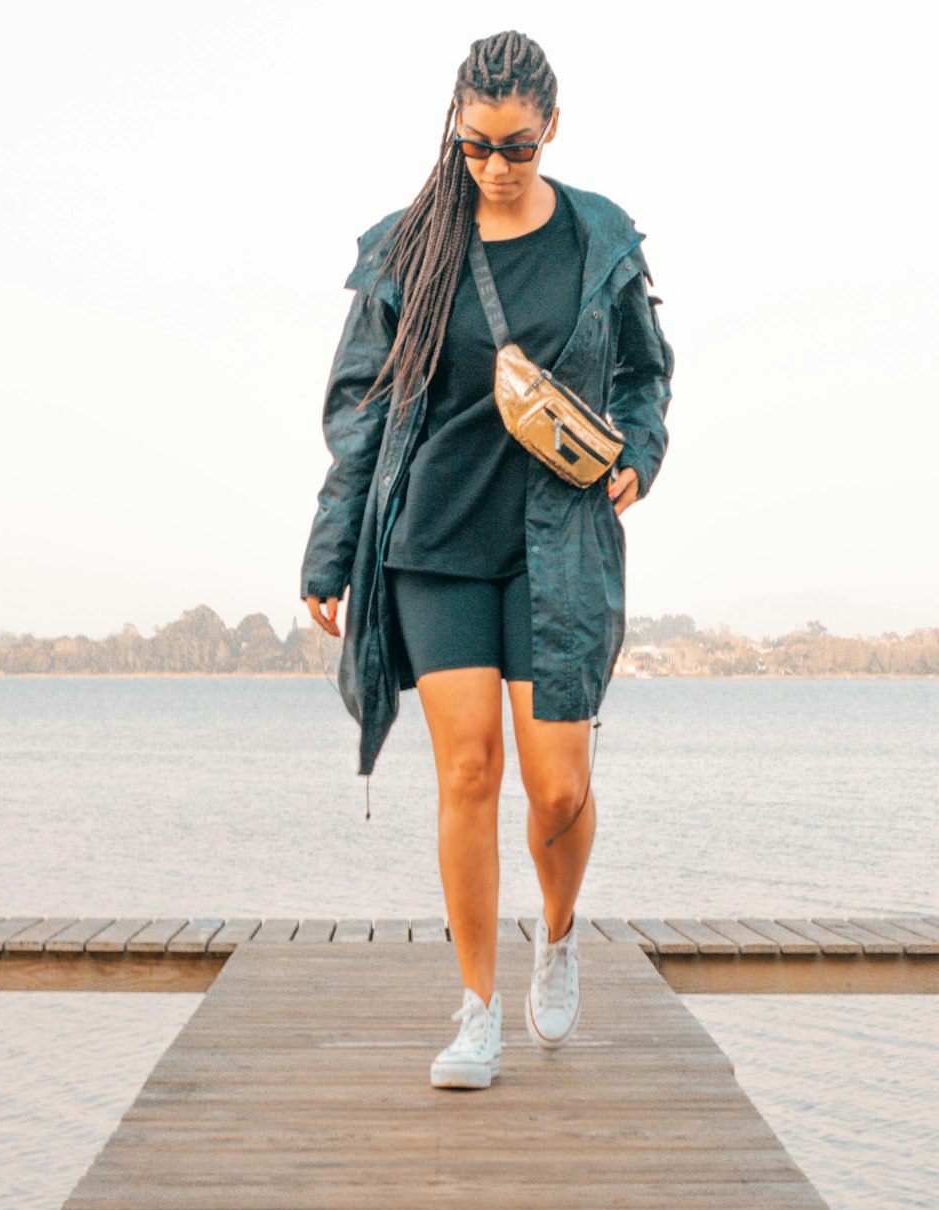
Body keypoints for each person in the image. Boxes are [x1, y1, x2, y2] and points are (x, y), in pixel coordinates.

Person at [300, 30, 673, 1090]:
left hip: (560, 545)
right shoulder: (405, 247)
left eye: (516, 145)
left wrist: (636, 455)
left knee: (556, 788)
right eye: (475, 146)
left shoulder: (601, 240)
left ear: (552, 126)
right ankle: (475, 1010)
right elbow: (359, 410)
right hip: (433, 539)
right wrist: (330, 550)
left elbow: (645, 377)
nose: (496, 167)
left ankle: (555, 938)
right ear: (453, 131)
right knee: (467, 772)